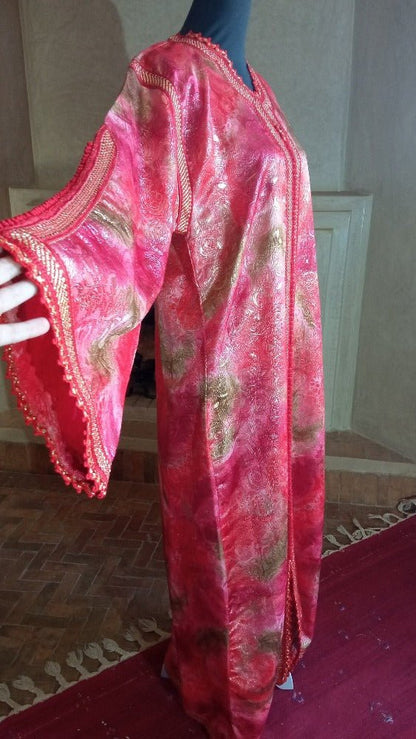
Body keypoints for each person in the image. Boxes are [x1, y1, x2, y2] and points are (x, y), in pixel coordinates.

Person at [0, 1, 325, 736]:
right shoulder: (173, 75)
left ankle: (269, 645)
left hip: (284, 367)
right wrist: (41, 263)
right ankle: (224, 687)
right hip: (219, 373)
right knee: (221, 531)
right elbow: (120, 209)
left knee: (272, 516)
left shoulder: (259, 90)